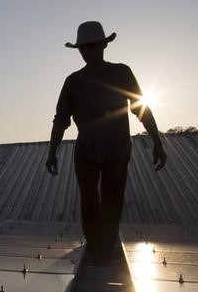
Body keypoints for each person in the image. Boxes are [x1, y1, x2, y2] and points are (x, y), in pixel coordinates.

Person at [46, 21, 166, 266]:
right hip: (88, 152)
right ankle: (97, 247)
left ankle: (106, 247)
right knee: (90, 201)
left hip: (116, 151)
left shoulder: (122, 72)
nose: (86, 51)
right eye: (83, 48)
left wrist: (157, 142)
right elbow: (61, 120)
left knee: (112, 200)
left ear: (102, 46)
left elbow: (141, 109)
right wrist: (52, 152)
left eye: (89, 46)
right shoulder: (73, 81)